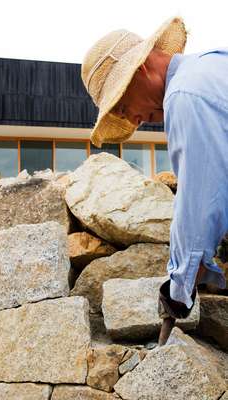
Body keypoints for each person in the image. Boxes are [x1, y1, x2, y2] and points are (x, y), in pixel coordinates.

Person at [81, 16, 227, 317]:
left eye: (122, 107)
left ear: (141, 68)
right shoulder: (213, 65)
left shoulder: (185, 95)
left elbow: (199, 205)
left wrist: (179, 289)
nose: (133, 119)